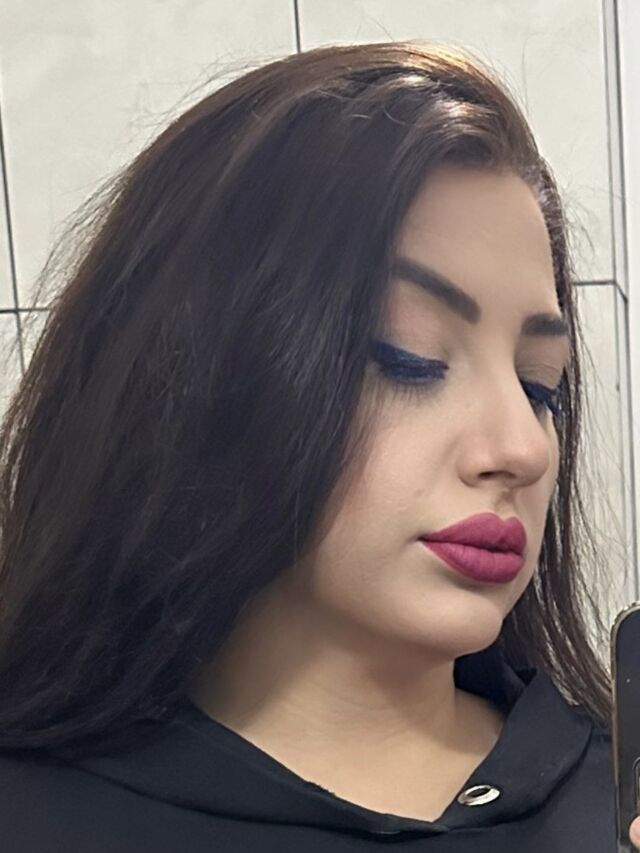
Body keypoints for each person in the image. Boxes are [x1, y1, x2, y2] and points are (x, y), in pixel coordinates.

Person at [0, 39, 631, 851]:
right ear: (202, 373)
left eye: (540, 387)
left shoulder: (610, 804)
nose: (523, 448)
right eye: (409, 356)